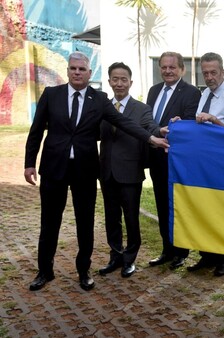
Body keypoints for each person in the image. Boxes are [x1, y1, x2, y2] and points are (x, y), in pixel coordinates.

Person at [24, 52, 168, 291]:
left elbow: (125, 123)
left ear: (90, 74)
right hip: (53, 170)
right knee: (49, 222)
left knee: (85, 223)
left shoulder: (99, 99)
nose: (77, 72)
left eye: (82, 69)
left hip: (85, 171)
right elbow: (36, 130)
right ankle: (44, 271)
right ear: (68, 71)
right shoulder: (51, 94)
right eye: (73, 69)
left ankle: (84, 270)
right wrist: (29, 163)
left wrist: (152, 138)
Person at [98, 62, 159, 278]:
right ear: (109, 82)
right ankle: (115, 256)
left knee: (131, 218)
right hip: (106, 172)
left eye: (124, 79)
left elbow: (150, 127)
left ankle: (129, 259)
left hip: (130, 172)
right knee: (111, 217)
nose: (119, 83)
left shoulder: (142, 109)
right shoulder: (101, 107)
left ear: (130, 82)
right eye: (115, 79)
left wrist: (160, 131)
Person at [186, 52, 224, 276]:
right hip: (203, 160)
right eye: (206, 73)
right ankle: (206, 255)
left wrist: (213, 119)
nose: (209, 77)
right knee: (204, 208)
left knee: (222, 209)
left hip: (223, 161)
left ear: (223, 72)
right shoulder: (204, 94)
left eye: (213, 72)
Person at [146, 51, 201, 270]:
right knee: (161, 204)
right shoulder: (153, 90)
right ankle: (167, 249)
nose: (167, 71)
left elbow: (189, 124)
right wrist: (156, 131)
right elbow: (147, 120)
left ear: (181, 69)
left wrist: (176, 126)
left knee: (177, 206)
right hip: (155, 157)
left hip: (176, 160)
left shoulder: (191, 93)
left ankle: (181, 251)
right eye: (164, 67)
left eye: (172, 67)